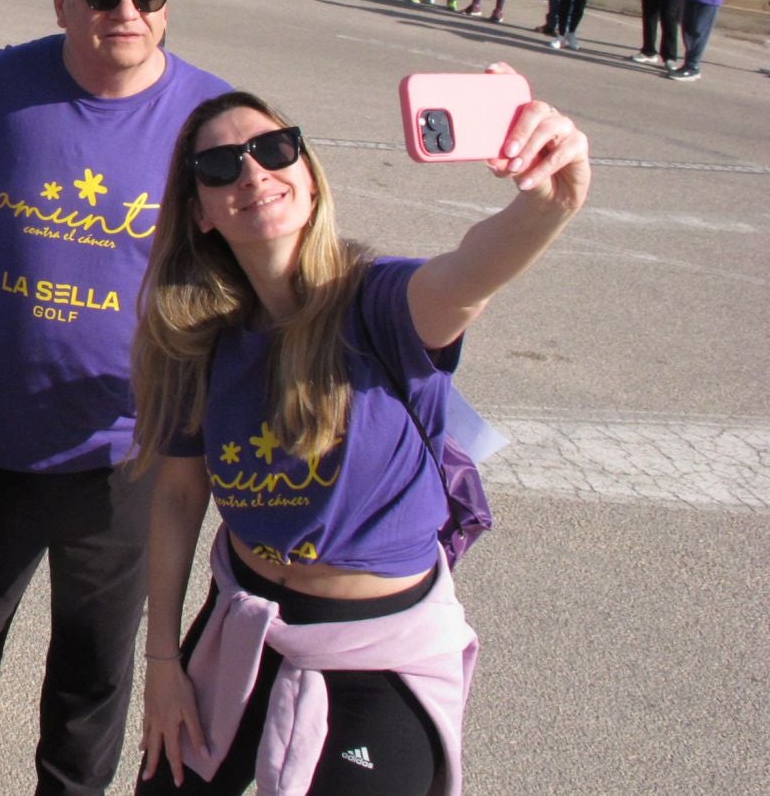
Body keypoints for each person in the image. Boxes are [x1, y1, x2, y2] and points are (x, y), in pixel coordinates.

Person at [133, 80, 591, 796]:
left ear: (309, 175)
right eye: (220, 166)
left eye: (273, 149)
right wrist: (162, 664)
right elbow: (177, 494)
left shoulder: (378, 303)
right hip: (242, 623)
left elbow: (468, 277)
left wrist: (549, 201)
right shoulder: (201, 336)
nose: (252, 172)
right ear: (200, 214)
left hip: (380, 650)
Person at [0, 0, 230, 796]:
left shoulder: (209, 120)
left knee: (94, 663)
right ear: (61, 0)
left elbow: (259, 268)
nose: (126, 10)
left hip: (126, 454)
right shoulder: (8, 85)